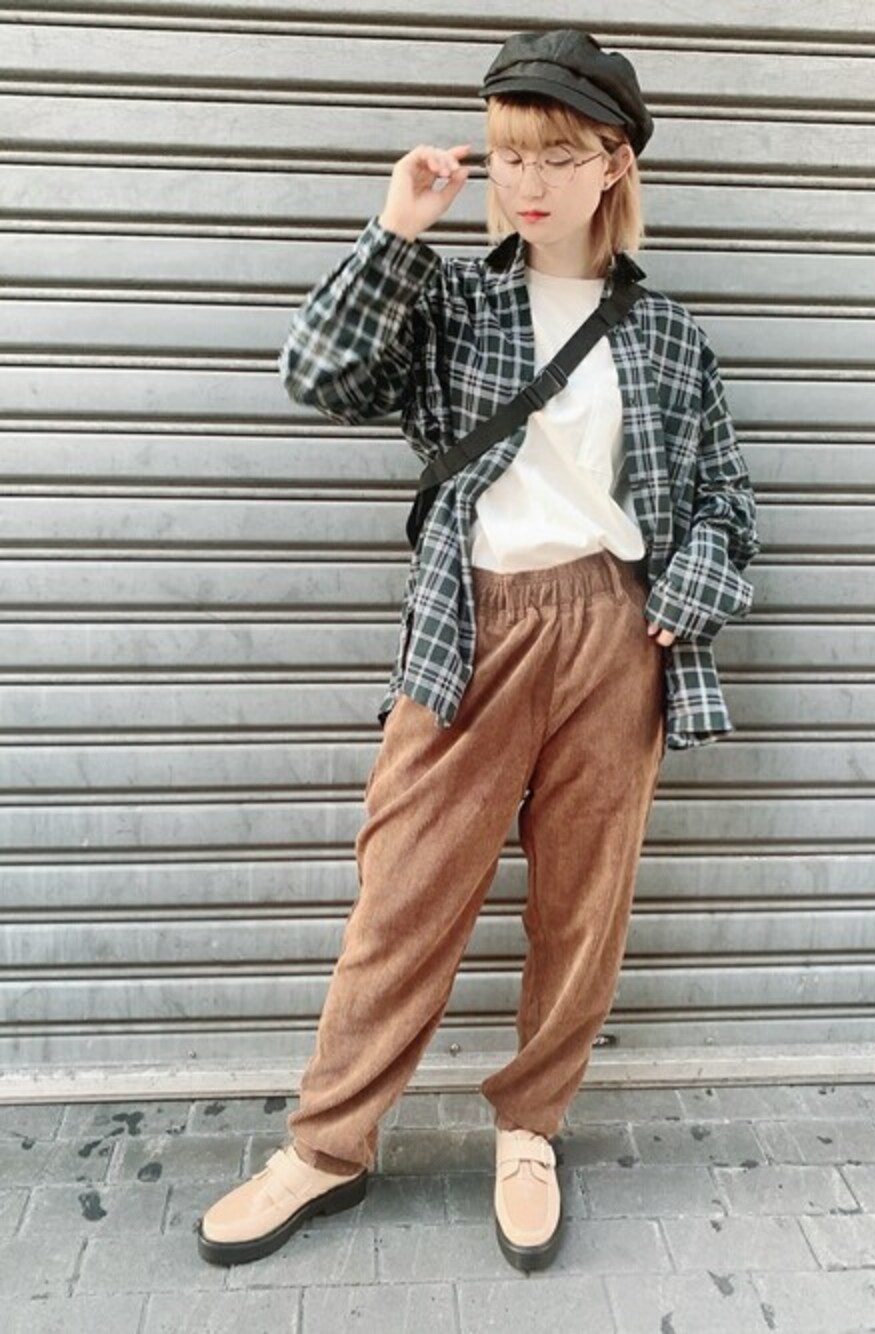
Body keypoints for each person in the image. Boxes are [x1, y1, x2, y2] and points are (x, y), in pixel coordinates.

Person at [197, 27, 760, 1275]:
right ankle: (327, 1144)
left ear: (613, 164)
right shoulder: (452, 301)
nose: (529, 179)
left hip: (614, 631)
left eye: (558, 154)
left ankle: (530, 1127)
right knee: (402, 892)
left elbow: (726, 495)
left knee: (581, 907)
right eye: (510, 153)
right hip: (475, 620)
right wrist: (396, 229)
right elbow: (316, 374)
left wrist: (693, 587)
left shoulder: (667, 335)